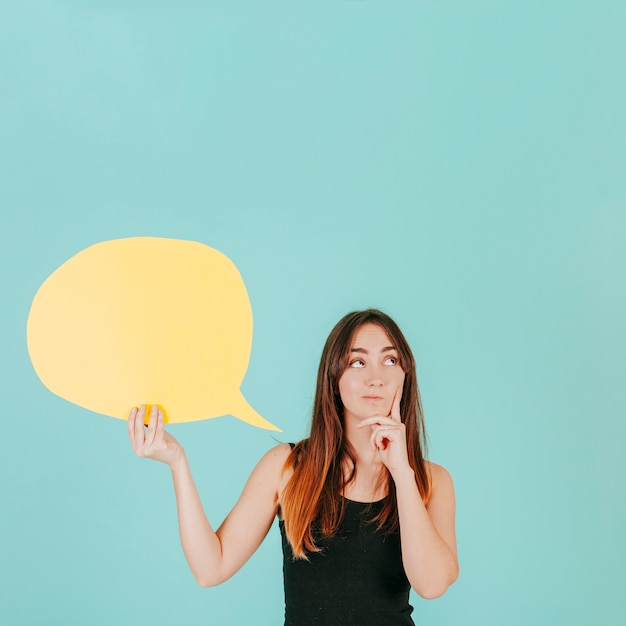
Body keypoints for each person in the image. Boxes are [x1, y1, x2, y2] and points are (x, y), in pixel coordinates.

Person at [128, 309, 458, 625]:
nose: (376, 378)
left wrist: (402, 473)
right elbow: (210, 568)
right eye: (358, 362)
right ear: (334, 376)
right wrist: (177, 463)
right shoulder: (287, 468)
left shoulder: (431, 481)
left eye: (390, 360)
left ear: (406, 374)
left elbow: (432, 585)